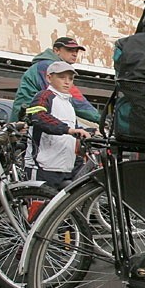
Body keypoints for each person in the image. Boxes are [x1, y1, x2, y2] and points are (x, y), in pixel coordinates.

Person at [24, 61, 91, 189]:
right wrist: (68, 130)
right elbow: (39, 117)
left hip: (65, 168)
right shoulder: (44, 96)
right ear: (49, 78)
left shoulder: (68, 103)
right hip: (42, 167)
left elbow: (75, 131)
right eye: (62, 77)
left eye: (70, 79)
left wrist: (92, 132)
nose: (67, 82)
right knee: (37, 208)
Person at [11, 36, 100, 124]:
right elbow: (74, 97)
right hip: (27, 123)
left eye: (76, 51)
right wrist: (100, 118)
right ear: (56, 51)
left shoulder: (48, 65)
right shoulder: (48, 66)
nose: (75, 54)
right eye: (70, 50)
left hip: (33, 119)